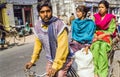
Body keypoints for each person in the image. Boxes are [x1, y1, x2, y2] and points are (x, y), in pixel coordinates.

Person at [25, 1, 73, 77]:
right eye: (42, 12)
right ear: (39, 13)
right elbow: (37, 46)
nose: (45, 14)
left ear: (51, 11)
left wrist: (55, 66)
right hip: (51, 60)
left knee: (60, 75)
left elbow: (62, 48)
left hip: (64, 59)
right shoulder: (38, 26)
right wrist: (32, 61)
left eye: (48, 11)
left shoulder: (59, 25)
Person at [90, 1, 116, 77]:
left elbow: (111, 31)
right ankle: (95, 71)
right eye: (99, 7)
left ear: (106, 8)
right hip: (96, 36)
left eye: (102, 7)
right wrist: (95, 34)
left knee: (103, 48)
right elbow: (92, 29)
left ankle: (102, 73)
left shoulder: (111, 18)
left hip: (106, 36)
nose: (100, 9)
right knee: (95, 47)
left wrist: (103, 35)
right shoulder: (95, 17)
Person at [70, 5, 96, 77]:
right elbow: (73, 35)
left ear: (84, 13)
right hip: (75, 43)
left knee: (85, 59)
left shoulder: (90, 23)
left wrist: (87, 46)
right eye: (76, 12)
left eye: (79, 12)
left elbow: (90, 35)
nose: (77, 13)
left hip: (85, 44)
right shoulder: (74, 22)